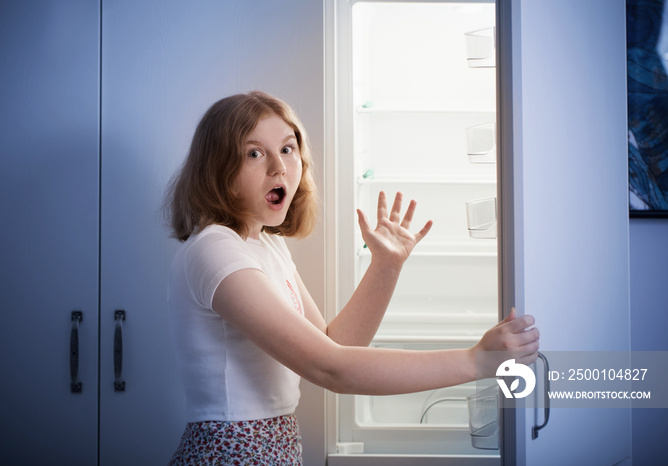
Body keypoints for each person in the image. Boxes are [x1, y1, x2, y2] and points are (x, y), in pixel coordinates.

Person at [164, 91, 539, 465]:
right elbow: (331, 368)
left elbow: (335, 344)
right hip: (230, 452)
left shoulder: (267, 246)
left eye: (288, 149)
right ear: (219, 171)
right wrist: (477, 361)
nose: (279, 167)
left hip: (273, 447)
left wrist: (385, 267)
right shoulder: (213, 249)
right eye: (254, 153)